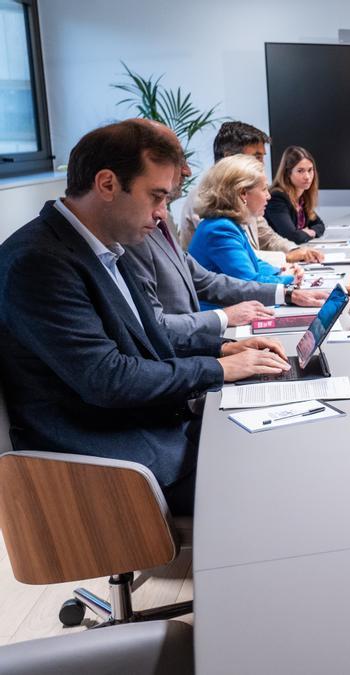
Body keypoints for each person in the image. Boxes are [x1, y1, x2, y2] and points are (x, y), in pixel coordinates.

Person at [0, 120, 293, 515]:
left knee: (288, 439)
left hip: (145, 430)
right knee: (282, 483)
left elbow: (147, 336)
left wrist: (227, 347)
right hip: (106, 467)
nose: (161, 215)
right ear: (106, 184)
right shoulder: (38, 262)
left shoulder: (103, 247)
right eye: (156, 196)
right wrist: (220, 369)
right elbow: (109, 379)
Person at [124, 123, 328, 338]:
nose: (187, 170)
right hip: (200, 331)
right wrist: (285, 283)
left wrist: (283, 284)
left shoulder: (220, 222)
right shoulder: (217, 226)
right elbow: (244, 278)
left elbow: (214, 277)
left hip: (202, 330)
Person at [178, 121, 321, 265]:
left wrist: (293, 250)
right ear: (230, 157)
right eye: (257, 157)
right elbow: (236, 256)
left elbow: (267, 236)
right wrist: (286, 257)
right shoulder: (206, 198)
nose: (262, 164)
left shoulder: (244, 193)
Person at [188, 155, 304, 294]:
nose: (268, 196)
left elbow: (253, 263)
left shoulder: (226, 223)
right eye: (263, 189)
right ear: (242, 193)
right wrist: (288, 279)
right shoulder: (220, 229)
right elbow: (248, 283)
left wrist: (281, 271)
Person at [264, 145, 326, 244]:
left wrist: (311, 232)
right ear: (288, 173)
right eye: (300, 171)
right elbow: (291, 236)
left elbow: (319, 225)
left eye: (310, 170)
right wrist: (302, 234)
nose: (307, 177)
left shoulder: (302, 198)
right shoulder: (277, 198)